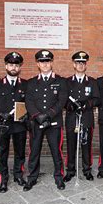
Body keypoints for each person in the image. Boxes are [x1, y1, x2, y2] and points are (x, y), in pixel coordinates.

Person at [23, 49, 68, 191]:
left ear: (51, 62)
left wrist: (48, 115)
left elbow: (61, 101)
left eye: (47, 61)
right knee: (34, 151)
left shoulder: (60, 81)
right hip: (36, 123)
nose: (45, 64)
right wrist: (37, 116)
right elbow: (28, 101)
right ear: (38, 64)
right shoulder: (31, 82)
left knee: (56, 150)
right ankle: (32, 177)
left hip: (54, 122)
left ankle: (59, 177)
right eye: (42, 61)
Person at [0, 52, 28, 193]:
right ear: (6, 66)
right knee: (2, 153)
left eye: (16, 65)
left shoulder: (25, 84)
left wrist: (26, 115)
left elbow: (30, 104)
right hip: (3, 125)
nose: (13, 67)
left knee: (20, 152)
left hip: (19, 125)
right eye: (11, 65)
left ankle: (18, 175)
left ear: (20, 67)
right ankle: (3, 179)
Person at [63, 51, 100, 182]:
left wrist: (86, 104)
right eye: (78, 63)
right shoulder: (67, 82)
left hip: (86, 118)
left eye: (83, 63)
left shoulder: (92, 82)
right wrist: (69, 106)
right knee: (71, 145)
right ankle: (71, 170)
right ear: (74, 64)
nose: (80, 65)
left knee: (86, 145)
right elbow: (62, 99)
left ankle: (87, 170)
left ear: (86, 65)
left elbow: (97, 99)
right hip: (72, 119)